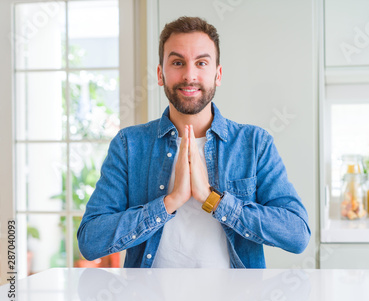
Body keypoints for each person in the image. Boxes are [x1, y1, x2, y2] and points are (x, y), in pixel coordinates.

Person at [77, 16, 310, 269]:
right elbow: (91, 241)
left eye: (201, 63)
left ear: (217, 74)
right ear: (160, 74)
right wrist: (170, 202)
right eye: (178, 62)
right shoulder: (129, 145)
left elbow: (297, 234)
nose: (189, 75)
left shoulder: (255, 144)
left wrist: (212, 200)